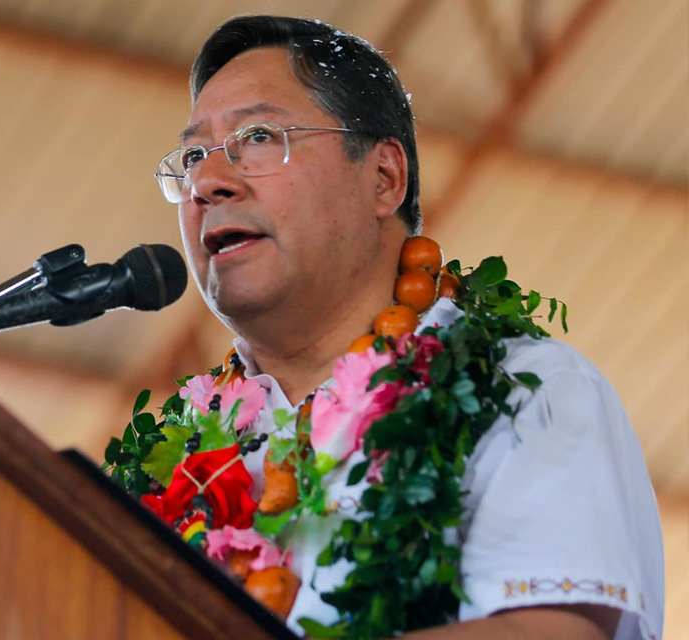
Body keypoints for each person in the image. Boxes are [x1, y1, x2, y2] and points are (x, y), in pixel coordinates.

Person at [157, 15, 664, 640]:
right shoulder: (183, 460)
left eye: (258, 136)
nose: (207, 182)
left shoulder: (521, 389)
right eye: (193, 156)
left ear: (384, 178)